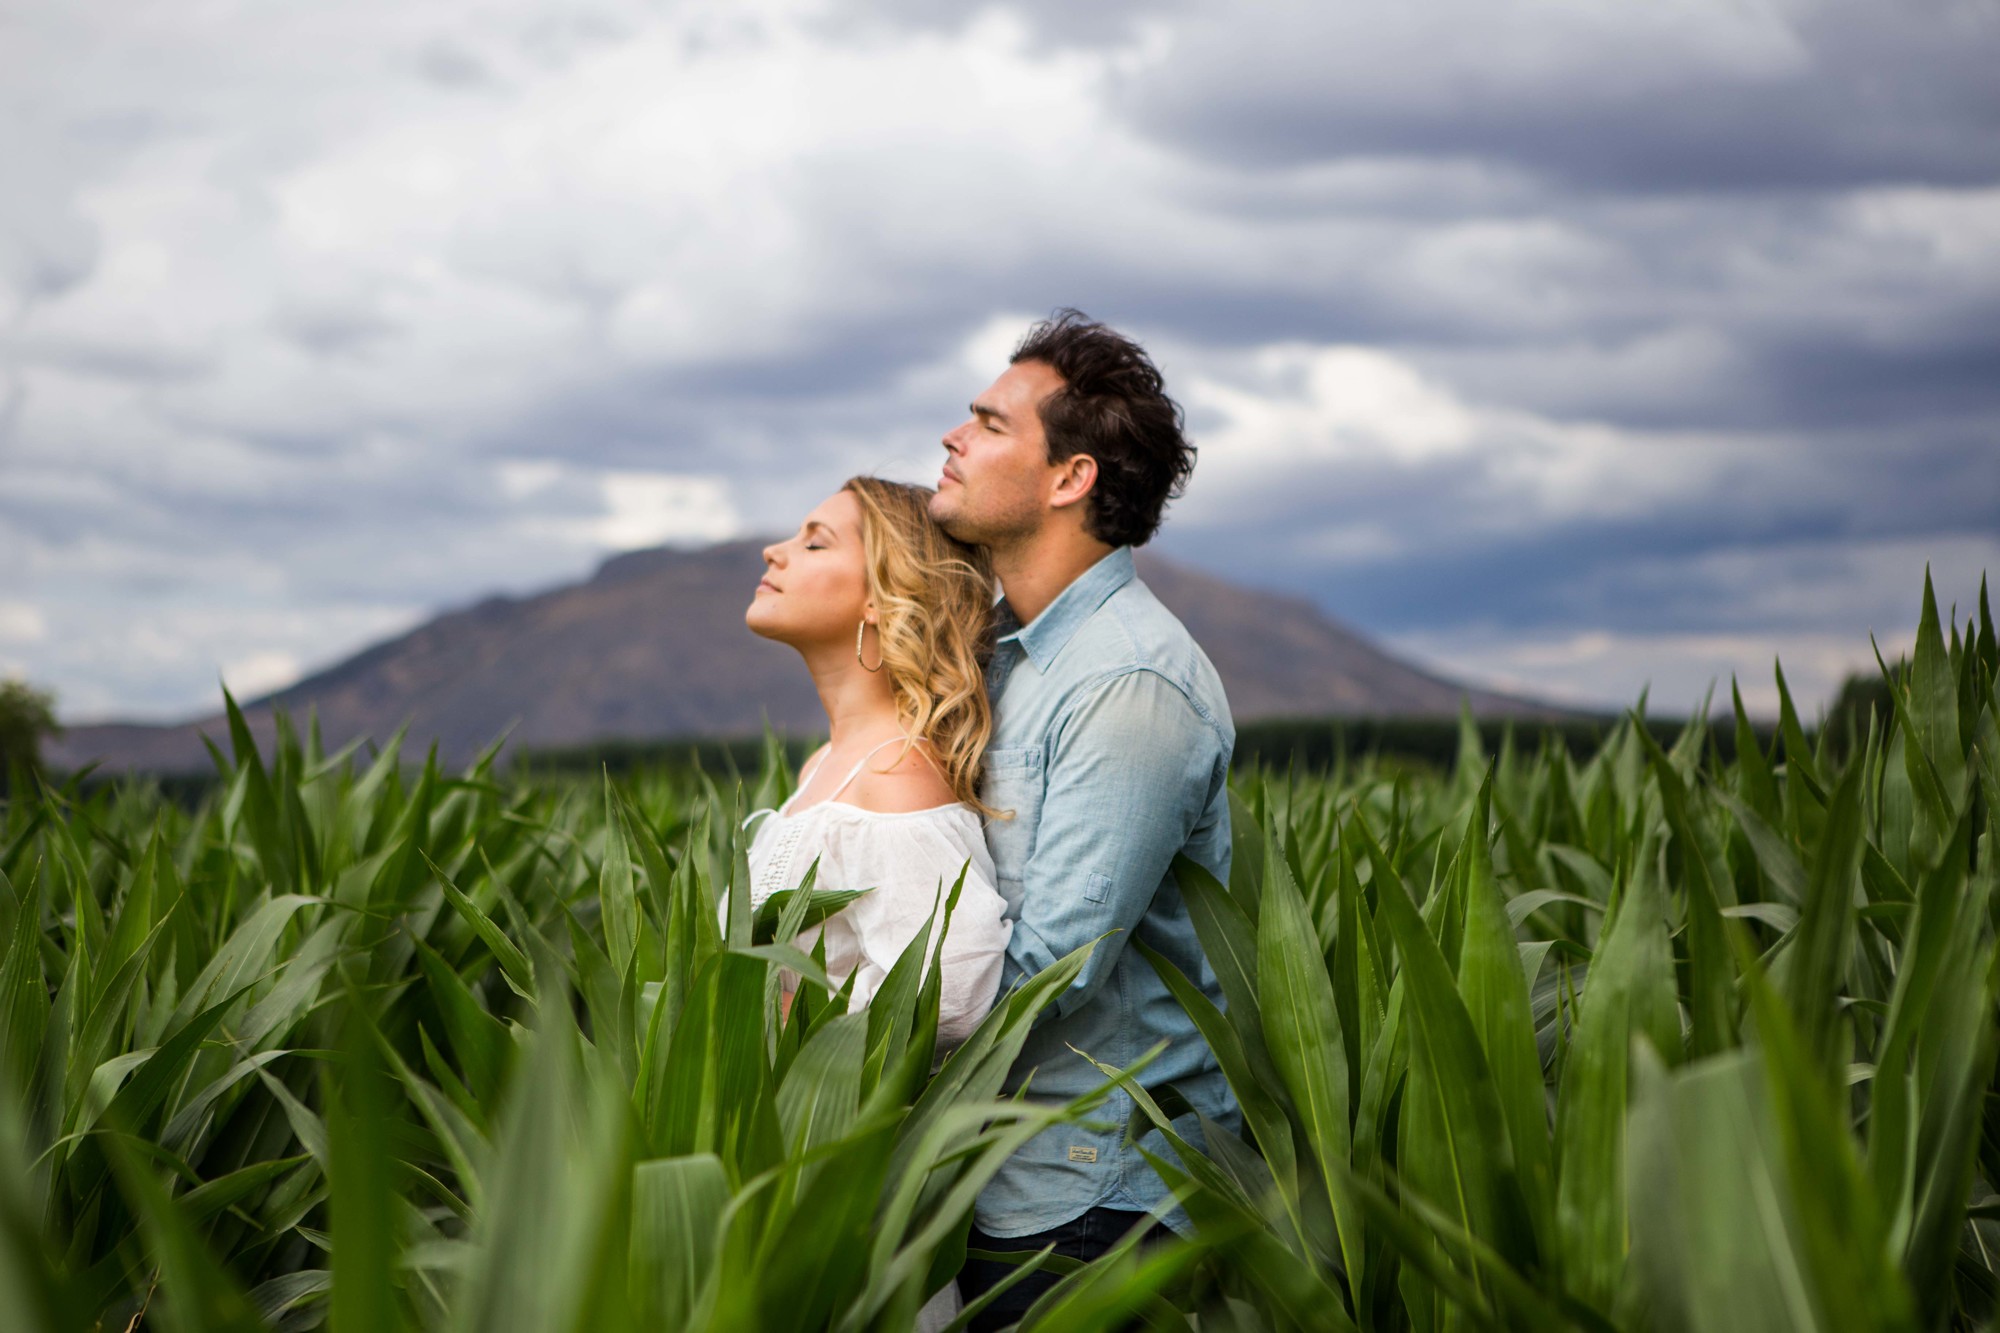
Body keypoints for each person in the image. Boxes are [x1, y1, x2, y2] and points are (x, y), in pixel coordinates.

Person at [932, 310, 1238, 1329]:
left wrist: (845, 1034)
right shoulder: (1009, 657)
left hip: (1089, 1195)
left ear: (1069, 479)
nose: (952, 438)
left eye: (986, 423)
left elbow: (1055, 964)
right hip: (1006, 1173)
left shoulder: (1129, 681)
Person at [743, 476, 1016, 1331]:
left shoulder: (900, 775)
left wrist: (798, 1020)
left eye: (816, 541)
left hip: (852, 1196)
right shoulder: (826, 765)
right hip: (790, 1168)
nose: (774, 551)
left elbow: (953, 991)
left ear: (883, 600)